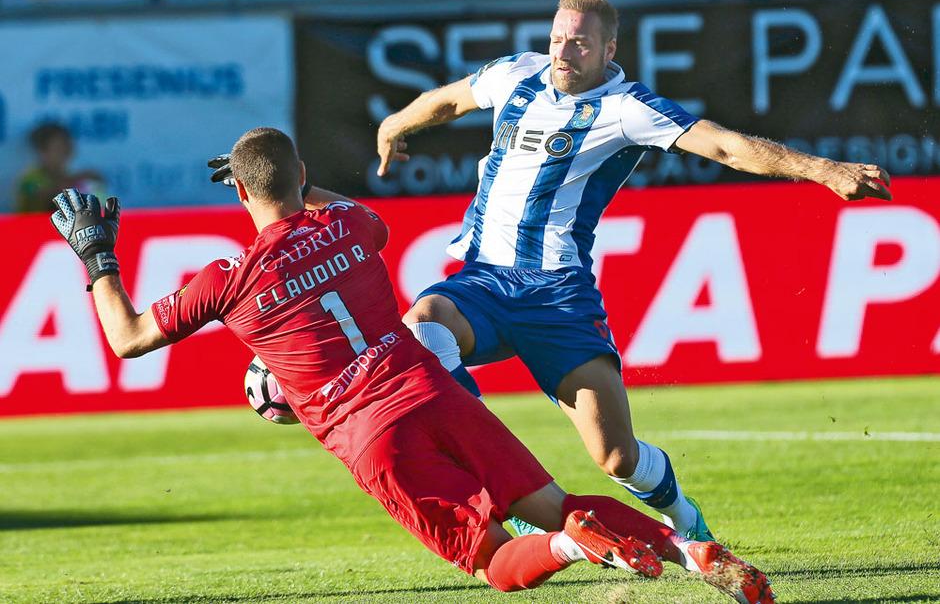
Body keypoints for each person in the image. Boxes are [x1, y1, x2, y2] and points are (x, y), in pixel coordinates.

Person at [50, 127, 773, 602]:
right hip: (434, 388)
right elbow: (371, 217)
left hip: (372, 435)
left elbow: (128, 336)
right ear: (302, 176)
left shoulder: (225, 279)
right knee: (559, 499)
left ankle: (566, 546)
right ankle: (703, 558)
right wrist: (301, 191)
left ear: (238, 193)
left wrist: (95, 254)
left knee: (497, 561)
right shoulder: (346, 224)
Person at [376, 0, 891, 541]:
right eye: (556, 39)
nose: (563, 52)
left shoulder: (627, 109)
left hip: (558, 298)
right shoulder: (514, 75)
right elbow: (449, 101)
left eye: (578, 43)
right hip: (483, 282)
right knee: (425, 320)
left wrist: (823, 170)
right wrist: (393, 126)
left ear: (608, 48)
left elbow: (725, 147)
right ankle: (505, 485)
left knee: (617, 459)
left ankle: (684, 517)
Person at [15, 122, 103, 213]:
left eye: (68, 146)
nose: (66, 152)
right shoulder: (29, 179)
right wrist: (76, 180)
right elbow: (41, 196)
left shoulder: (69, 174)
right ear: (42, 151)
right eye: (59, 148)